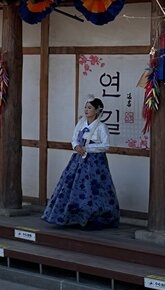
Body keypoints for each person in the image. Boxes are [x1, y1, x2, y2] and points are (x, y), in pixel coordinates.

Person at [42, 98, 121, 230]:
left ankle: (95, 217)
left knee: (95, 188)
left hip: (96, 163)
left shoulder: (101, 127)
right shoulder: (81, 124)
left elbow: (106, 145)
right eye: (86, 107)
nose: (86, 110)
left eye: (89, 108)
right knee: (72, 186)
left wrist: (87, 148)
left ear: (97, 111)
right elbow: (74, 139)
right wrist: (76, 146)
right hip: (78, 159)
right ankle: (74, 216)